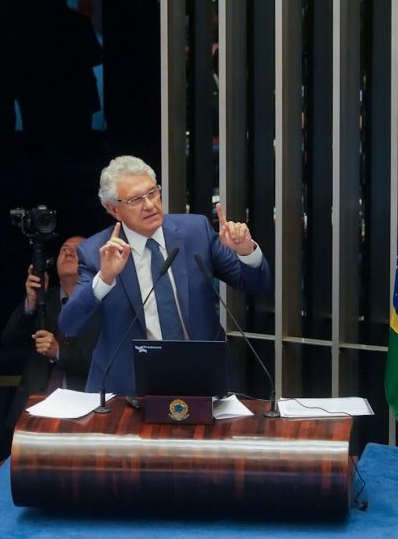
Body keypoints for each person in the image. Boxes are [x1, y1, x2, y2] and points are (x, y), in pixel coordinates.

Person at [59, 155, 271, 395]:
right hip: (130, 389)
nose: (149, 205)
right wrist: (105, 279)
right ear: (114, 209)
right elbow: (70, 325)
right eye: (136, 199)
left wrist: (246, 251)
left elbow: (257, 284)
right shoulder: (96, 252)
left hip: (203, 379)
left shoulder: (196, 232)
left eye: (152, 193)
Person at [0, 236, 100, 429]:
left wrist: (59, 352)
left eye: (78, 249)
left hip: (84, 412)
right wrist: (31, 302)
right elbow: (9, 340)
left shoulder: (102, 304)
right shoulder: (45, 299)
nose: (69, 252)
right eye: (64, 249)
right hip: (35, 409)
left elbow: (103, 363)